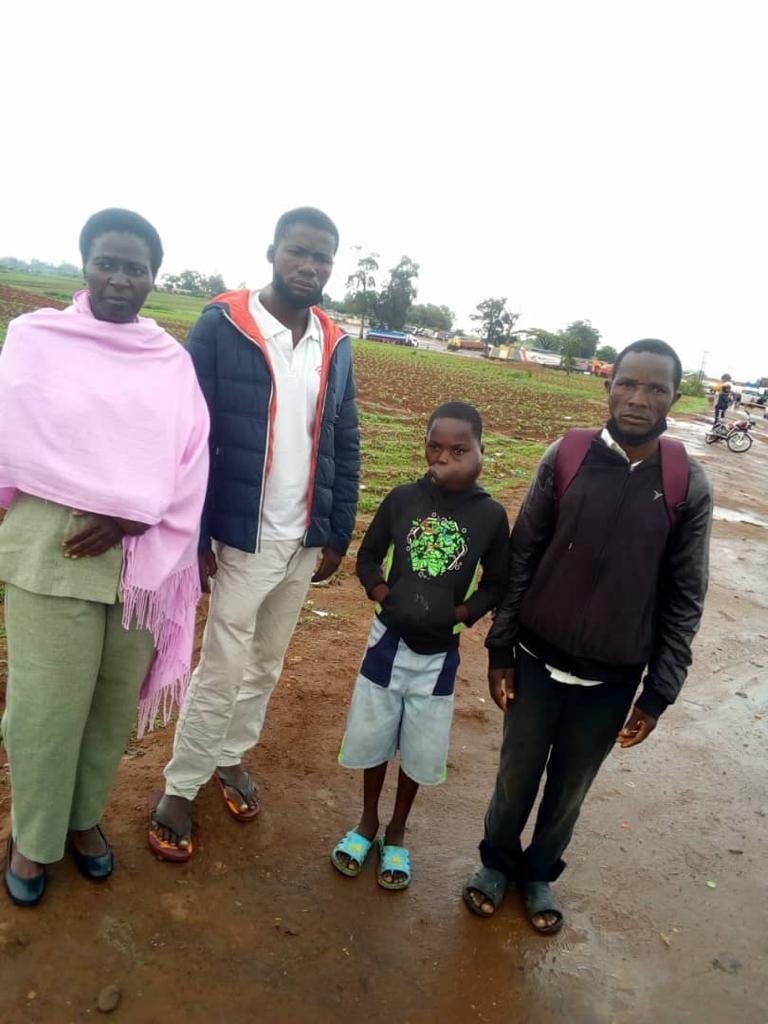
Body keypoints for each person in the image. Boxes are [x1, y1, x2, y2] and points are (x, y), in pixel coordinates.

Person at [462, 338, 712, 934]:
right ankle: (496, 863)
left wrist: (659, 692)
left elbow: (685, 596)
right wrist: (501, 647)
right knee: (516, 772)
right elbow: (522, 555)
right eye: (628, 383)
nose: (638, 398)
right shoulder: (566, 456)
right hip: (534, 659)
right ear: (608, 386)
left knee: (573, 784)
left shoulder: (686, 483)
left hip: (613, 676)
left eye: (656, 388)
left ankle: (540, 871)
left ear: (675, 398)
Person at [0, 209, 209, 906]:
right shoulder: (34, 339)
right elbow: (13, 438)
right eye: (108, 263)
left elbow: (189, 458)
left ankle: (83, 817)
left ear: (155, 276)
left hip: (141, 556)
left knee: (109, 707)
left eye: (137, 267)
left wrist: (129, 513)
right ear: (85, 265)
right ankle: (34, 837)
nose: (122, 278)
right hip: (52, 546)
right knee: (45, 707)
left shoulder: (170, 362)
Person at [150, 207, 360, 861]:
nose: (311, 266)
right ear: (273, 252)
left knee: (266, 663)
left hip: (301, 540)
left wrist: (336, 533)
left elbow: (342, 439)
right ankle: (180, 788)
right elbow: (185, 435)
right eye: (300, 252)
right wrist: (193, 539)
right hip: (239, 537)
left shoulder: (334, 341)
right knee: (222, 666)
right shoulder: (223, 325)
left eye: (323, 257)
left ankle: (231, 758)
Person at [331, 403, 509, 890]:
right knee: (372, 736)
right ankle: (367, 822)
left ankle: (397, 830)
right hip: (387, 643)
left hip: (439, 658)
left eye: (459, 448)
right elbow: (367, 557)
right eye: (435, 445)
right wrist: (384, 594)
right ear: (424, 446)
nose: (444, 455)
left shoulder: (490, 515)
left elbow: (498, 582)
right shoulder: (402, 499)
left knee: (419, 747)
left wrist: (462, 614)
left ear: (480, 452)